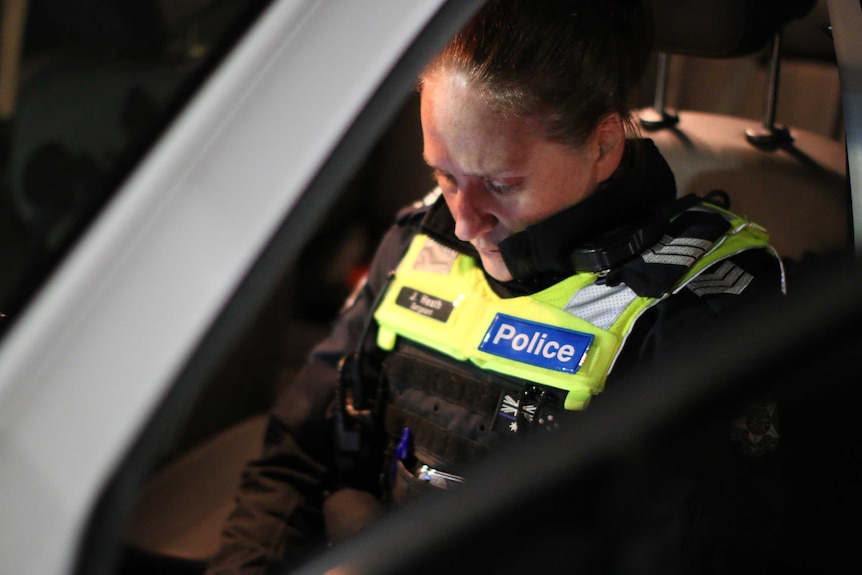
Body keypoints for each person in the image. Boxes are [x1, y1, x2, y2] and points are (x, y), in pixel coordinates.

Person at [206, 1, 786, 573]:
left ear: (604, 146)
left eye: (501, 184)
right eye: (443, 174)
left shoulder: (696, 304)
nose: (463, 220)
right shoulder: (421, 239)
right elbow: (297, 461)